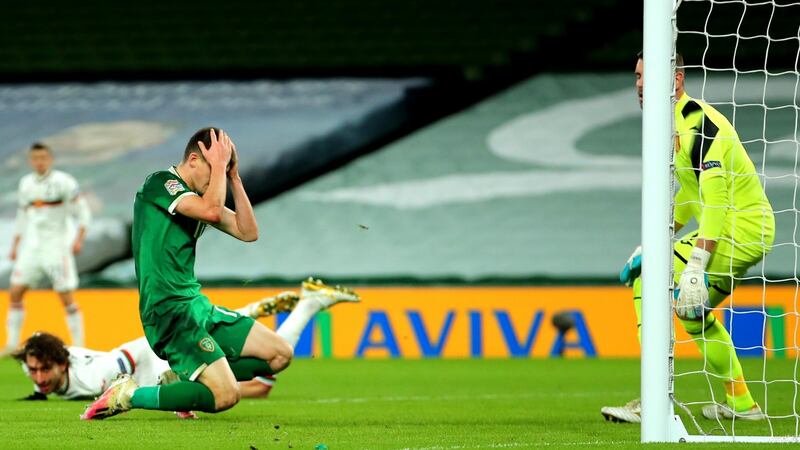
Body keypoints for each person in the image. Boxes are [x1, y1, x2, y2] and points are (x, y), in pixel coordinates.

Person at [81, 128, 358, 420]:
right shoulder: (160, 184)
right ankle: (129, 394)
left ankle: (183, 381)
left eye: (223, 173)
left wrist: (235, 178)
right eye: (213, 170)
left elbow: (248, 231)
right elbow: (212, 212)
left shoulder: (200, 199)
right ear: (193, 160)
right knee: (226, 395)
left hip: (195, 305)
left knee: (280, 354)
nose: (218, 179)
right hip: (168, 309)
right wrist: (219, 169)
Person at [601, 52, 774, 423]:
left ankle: (654, 400)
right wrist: (654, 240)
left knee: (648, 279)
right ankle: (743, 404)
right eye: (637, 77)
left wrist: (695, 262)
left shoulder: (701, 125)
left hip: (736, 229)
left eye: (648, 77)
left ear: (676, 80)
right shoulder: (672, 125)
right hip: (740, 232)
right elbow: (689, 198)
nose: (640, 85)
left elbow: (715, 203)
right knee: (694, 316)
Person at [15, 288, 325, 412]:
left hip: (156, 360)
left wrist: (128, 379)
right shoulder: (43, 373)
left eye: (44, 370)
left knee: (258, 377)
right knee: (262, 365)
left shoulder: (93, 377)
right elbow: (41, 341)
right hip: (156, 361)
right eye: (34, 371)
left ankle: (297, 307)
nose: (39, 377)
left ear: (60, 364)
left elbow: (122, 359)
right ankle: (273, 309)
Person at [4, 142, 91, 354]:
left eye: (43, 158)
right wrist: (15, 244)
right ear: (30, 161)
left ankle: (80, 346)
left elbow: (83, 212)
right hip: (32, 248)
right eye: (35, 158)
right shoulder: (26, 184)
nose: (39, 162)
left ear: (50, 159)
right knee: (15, 291)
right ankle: (12, 344)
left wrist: (78, 238)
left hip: (56, 247)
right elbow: (22, 216)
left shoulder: (64, 182)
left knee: (65, 295)